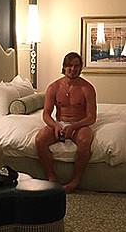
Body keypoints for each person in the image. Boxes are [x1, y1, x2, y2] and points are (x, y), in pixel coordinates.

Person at [35, 52, 97, 193]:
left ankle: (75, 180)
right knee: (40, 139)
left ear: (80, 68)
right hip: (60, 123)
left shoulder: (87, 88)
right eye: (69, 65)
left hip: (79, 124)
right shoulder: (54, 87)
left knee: (85, 140)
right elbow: (46, 114)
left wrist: (74, 126)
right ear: (64, 67)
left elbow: (91, 117)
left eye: (76, 66)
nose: (72, 69)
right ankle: (52, 177)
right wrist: (55, 125)